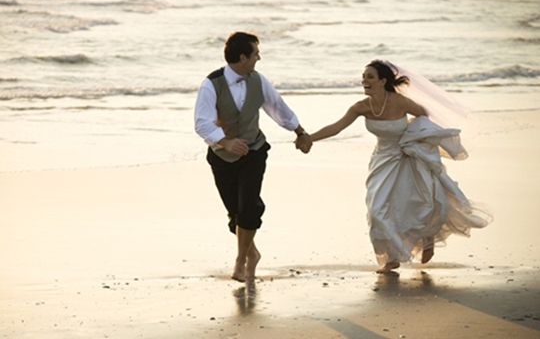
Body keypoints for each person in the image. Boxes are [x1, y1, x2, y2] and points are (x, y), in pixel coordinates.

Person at [308, 60, 492, 274]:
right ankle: (391, 257)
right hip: (382, 160)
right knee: (377, 209)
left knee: (416, 203)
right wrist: (309, 138)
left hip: (407, 156)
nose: (364, 81)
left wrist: (412, 140)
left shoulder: (400, 101)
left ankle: (427, 238)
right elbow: (336, 127)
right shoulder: (361, 107)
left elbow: (423, 115)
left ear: (383, 81)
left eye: (370, 77)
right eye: (363, 76)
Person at [194, 32, 312, 282]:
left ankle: (240, 263)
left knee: (250, 206)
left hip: (254, 151)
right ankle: (253, 253)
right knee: (235, 215)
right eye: (256, 53)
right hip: (221, 156)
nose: (259, 57)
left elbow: (277, 107)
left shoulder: (258, 80)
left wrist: (300, 132)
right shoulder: (210, 84)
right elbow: (201, 123)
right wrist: (225, 141)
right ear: (242, 57)